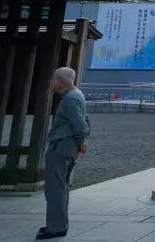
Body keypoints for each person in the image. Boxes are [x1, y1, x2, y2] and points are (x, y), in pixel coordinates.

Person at [38, 67, 90, 240]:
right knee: (60, 187)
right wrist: (81, 141)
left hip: (61, 146)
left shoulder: (70, 99)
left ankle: (56, 227)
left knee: (55, 188)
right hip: (68, 145)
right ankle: (58, 223)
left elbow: (80, 124)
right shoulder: (77, 95)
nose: (51, 81)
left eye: (53, 78)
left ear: (61, 82)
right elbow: (85, 121)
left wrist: (81, 140)